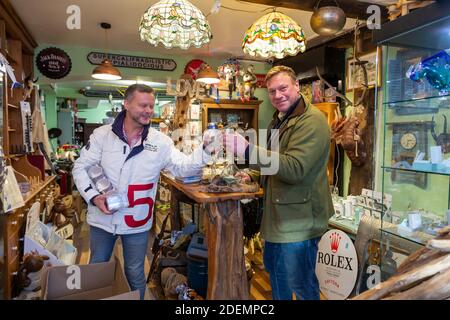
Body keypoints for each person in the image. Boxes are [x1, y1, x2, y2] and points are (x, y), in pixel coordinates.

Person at [73, 84, 216, 299]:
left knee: (135, 272)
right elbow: (80, 167)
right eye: (143, 105)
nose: (148, 110)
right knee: (97, 268)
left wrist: (205, 151)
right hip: (103, 218)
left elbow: (182, 167)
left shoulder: (160, 142)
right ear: (127, 104)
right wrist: (94, 197)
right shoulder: (102, 135)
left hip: (136, 222)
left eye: (151, 106)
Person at [224, 66, 334, 300]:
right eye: (272, 91)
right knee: (278, 277)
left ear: (296, 86)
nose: (277, 95)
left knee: (301, 285)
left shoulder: (312, 121)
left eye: (283, 88)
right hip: (278, 218)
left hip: (299, 222)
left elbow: (295, 169)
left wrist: (248, 151)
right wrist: (253, 175)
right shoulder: (282, 119)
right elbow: (277, 161)